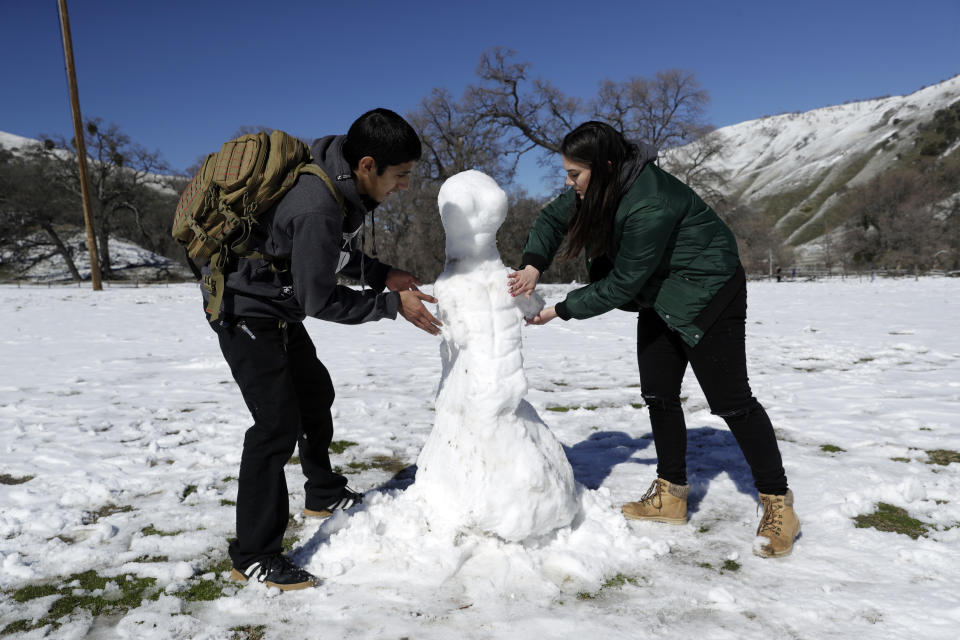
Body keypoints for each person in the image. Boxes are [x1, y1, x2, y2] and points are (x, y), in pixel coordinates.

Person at [508, 121, 800, 558]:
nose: (569, 184)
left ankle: (779, 503)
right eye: (567, 174)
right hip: (660, 291)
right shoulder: (602, 188)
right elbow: (553, 218)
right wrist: (533, 264)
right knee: (659, 394)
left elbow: (623, 283)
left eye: (575, 174)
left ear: (604, 167)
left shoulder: (651, 203)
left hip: (707, 292)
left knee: (731, 401)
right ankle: (671, 494)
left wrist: (560, 310)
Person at [206, 108, 442, 591]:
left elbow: (316, 251)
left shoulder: (337, 173)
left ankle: (323, 493)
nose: (404, 187)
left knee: (315, 394)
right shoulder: (318, 203)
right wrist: (391, 304)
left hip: (276, 302)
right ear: (368, 165)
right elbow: (319, 296)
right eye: (400, 176)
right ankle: (253, 554)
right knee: (275, 426)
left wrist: (380, 273)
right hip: (247, 310)